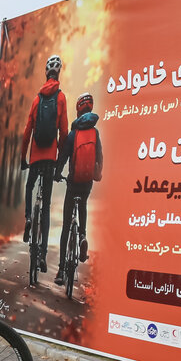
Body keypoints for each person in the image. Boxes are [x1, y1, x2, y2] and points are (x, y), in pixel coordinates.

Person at [20, 54, 69, 274]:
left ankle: (29, 217)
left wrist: (23, 158)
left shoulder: (37, 99)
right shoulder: (61, 98)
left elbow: (27, 131)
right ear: (58, 75)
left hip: (36, 157)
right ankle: (41, 255)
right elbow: (64, 131)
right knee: (47, 207)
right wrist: (61, 163)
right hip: (50, 159)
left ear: (45, 74)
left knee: (30, 186)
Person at [53, 92, 104, 284]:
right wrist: (97, 174)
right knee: (82, 205)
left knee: (66, 225)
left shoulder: (73, 134)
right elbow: (99, 156)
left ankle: (60, 271)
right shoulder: (95, 133)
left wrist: (58, 174)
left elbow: (63, 158)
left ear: (78, 111)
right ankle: (82, 235)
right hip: (87, 183)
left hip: (73, 182)